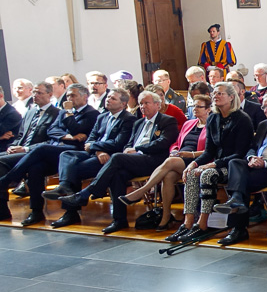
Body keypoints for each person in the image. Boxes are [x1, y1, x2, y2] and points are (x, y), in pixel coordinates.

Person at [53, 91, 179, 233]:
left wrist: (137, 149)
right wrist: (128, 150)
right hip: (133, 159)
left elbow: (163, 143)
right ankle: (119, 220)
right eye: (141, 104)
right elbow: (128, 143)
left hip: (153, 161)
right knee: (117, 174)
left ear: (157, 105)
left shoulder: (167, 121)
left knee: (117, 157)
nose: (143, 106)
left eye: (147, 103)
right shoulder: (139, 123)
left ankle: (87, 192)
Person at [167, 82, 254, 242]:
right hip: (217, 163)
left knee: (207, 174)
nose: (215, 96)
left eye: (220, 93)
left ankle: (202, 223)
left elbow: (239, 153)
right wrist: (193, 164)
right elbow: (209, 151)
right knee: (192, 173)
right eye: (214, 93)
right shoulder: (213, 118)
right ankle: (187, 223)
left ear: (231, 97)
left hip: (233, 166)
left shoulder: (242, 119)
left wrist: (213, 164)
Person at [211, 91, 267, 245]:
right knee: (235, 163)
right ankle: (236, 200)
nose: (266, 110)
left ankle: (238, 228)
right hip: (255, 164)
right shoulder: (263, 124)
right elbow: (252, 147)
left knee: (242, 182)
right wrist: (251, 158)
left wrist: (265, 163)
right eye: (264, 107)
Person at [0, 83, 96, 226]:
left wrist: (69, 117)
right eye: (68, 95)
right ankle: (36, 211)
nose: (69, 98)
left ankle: (10, 178)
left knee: (42, 148)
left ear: (85, 97)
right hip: (57, 149)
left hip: (74, 151)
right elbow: (52, 131)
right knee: (35, 168)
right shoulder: (62, 112)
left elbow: (78, 130)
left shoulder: (91, 113)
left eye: (73, 95)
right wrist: (67, 136)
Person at [120, 95, 210, 230]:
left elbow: (211, 150)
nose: (194, 109)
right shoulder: (189, 123)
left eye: (199, 106)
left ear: (208, 109)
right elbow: (176, 142)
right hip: (179, 157)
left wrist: (190, 154)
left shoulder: (212, 125)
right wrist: (174, 150)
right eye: (193, 106)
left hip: (197, 159)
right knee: (168, 176)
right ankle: (165, 216)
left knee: (170, 161)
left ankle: (142, 191)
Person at [43, 88, 134, 201]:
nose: (108, 100)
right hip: (97, 152)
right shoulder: (102, 117)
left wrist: (93, 146)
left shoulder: (128, 119)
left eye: (113, 98)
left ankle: (73, 202)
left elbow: (117, 143)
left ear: (123, 104)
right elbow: (90, 139)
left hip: (110, 157)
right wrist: (97, 150)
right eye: (108, 97)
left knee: (74, 168)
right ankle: (64, 187)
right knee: (66, 155)